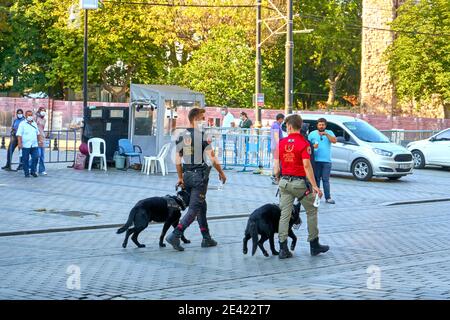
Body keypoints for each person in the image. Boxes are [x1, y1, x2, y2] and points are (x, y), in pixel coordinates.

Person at [166, 108, 227, 251]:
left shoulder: (181, 136)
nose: (204, 121)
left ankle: (206, 238)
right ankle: (175, 234)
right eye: (202, 118)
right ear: (195, 119)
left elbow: (177, 160)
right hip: (199, 176)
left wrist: (180, 177)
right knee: (194, 208)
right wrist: (221, 173)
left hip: (187, 176)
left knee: (201, 206)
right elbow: (212, 157)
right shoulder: (202, 136)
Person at [274, 114, 329, 259]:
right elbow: (306, 165)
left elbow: (275, 166)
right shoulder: (304, 144)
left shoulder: (281, 143)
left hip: (284, 183)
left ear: (290, 126)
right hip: (299, 184)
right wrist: (315, 186)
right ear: (300, 126)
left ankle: (283, 247)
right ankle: (314, 244)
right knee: (311, 210)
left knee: (284, 214)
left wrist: (278, 177)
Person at [308, 118, 337, 204]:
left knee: (325, 180)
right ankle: (316, 197)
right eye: (320, 125)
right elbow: (308, 145)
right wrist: (314, 146)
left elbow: (334, 141)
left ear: (325, 125)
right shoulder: (312, 134)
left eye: (323, 125)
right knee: (316, 179)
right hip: (316, 160)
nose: (321, 126)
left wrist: (326, 134)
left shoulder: (329, 132)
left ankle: (328, 198)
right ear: (317, 125)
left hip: (326, 161)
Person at [16, 110, 43, 178]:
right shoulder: (22, 124)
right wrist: (19, 143)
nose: (30, 116)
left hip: (34, 145)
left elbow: (38, 133)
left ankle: (33, 171)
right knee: (25, 159)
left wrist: (40, 141)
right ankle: (26, 173)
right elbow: (19, 134)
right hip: (26, 145)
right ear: (26, 116)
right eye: (29, 115)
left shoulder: (34, 123)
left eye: (31, 115)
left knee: (36, 157)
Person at [270, 113, 285, 184]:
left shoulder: (276, 125)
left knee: (277, 162)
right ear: (280, 119)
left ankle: (275, 176)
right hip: (276, 146)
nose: (283, 121)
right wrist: (279, 145)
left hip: (275, 146)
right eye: (283, 119)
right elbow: (276, 136)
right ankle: (274, 176)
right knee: (277, 162)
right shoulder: (276, 125)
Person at [35, 107, 47, 175]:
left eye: (44, 111)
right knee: (37, 155)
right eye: (42, 110)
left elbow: (42, 129)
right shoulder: (36, 118)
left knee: (42, 155)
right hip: (37, 138)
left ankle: (41, 170)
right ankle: (29, 165)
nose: (43, 112)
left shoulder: (44, 119)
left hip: (42, 138)